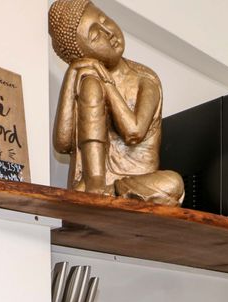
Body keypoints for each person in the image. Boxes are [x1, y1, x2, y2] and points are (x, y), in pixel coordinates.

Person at [49, 0, 184, 206]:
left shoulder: (145, 79)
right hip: (92, 181)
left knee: (174, 184)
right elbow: (63, 143)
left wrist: (109, 85)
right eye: (95, 36)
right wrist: (71, 76)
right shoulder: (88, 82)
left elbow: (133, 132)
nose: (108, 32)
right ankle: (95, 184)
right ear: (83, 55)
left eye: (104, 20)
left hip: (138, 181)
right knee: (90, 85)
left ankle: (110, 191)